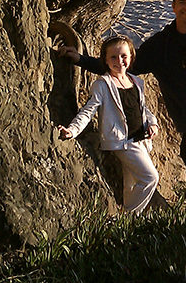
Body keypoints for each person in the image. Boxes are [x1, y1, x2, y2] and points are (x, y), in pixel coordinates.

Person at [62, 0, 186, 207]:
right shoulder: (161, 44)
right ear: (172, 6)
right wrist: (81, 60)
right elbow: (123, 66)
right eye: (182, 2)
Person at [57, 36, 160, 214]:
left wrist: (153, 124)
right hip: (122, 141)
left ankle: (126, 220)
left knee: (131, 184)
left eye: (123, 56)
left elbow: (142, 109)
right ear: (104, 59)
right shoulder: (102, 85)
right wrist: (72, 130)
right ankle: (128, 217)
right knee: (150, 177)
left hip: (140, 139)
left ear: (131, 57)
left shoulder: (136, 82)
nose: (119, 61)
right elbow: (88, 110)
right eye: (113, 57)